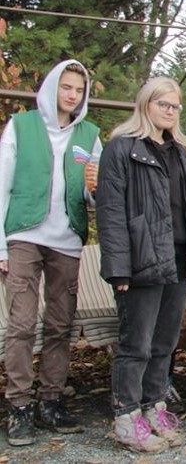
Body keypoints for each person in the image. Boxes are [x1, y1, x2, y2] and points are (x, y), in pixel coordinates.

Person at [97, 76, 186, 453]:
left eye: (175, 105)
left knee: (165, 341)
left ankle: (154, 405)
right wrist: (119, 268)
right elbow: (111, 212)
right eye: (163, 103)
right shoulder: (121, 148)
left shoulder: (182, 151)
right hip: (142, 259)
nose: (170, 111)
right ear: (145, 103)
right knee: (137, 343)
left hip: (179, 258)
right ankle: (126, 415)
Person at [0, 60, 101, 446]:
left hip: (67, 239)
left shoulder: (89, 134)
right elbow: (2, 184)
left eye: (78, 89)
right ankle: (19, 406)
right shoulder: (22, 126)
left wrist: (94, 189)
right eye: (66, 87)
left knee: (60, 324)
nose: (72, 95)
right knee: (23, 324)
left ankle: (51, 401)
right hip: (23, 235)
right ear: (51, 87)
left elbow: (93, 193)